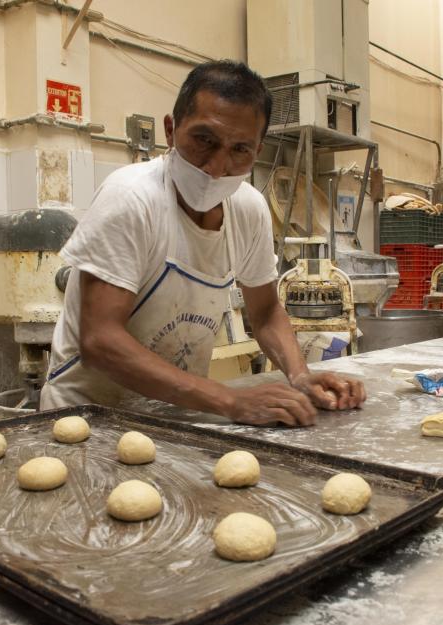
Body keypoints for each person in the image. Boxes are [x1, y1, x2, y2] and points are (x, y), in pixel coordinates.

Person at [39, 60, 366, 426]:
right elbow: (100, 339)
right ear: (170, 129)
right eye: (203, 140)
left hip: (175, 413)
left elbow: (265, 311)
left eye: (239, 149)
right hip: (86, 417)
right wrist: (229, 399)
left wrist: (300, 374)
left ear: (257, 151)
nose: (216, 166)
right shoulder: (131, 198)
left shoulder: (248, 209)